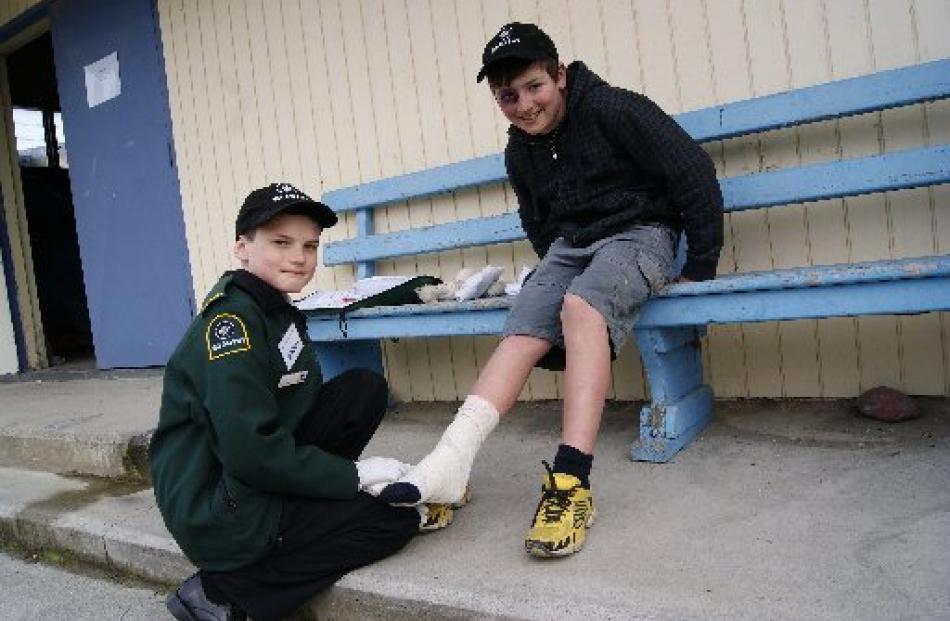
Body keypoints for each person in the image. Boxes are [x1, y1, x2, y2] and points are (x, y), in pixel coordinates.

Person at [380, 22, 723, 558]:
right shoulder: (520, 149)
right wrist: (552, 278)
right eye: (507, 96)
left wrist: (700, 264)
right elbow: (537, 221)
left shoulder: (614, 109)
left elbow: (693, 173)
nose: (524, 105)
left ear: (560, 75)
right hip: (571, 247)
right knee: (521, 327)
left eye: (533, 87)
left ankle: (570, 484)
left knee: (581, 307)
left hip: (639, 234)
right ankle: (451, 462)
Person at [150, 182, 455, 621]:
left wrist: (337, 478)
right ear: (242, 247)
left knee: (361, 391)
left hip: (248, 475)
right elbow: (250, 453)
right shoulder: (231, 327)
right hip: (220, 508)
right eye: (280, 242)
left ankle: (303, 511)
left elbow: (290, 411)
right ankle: (224, 594)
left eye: (310, 246)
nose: (299, 257)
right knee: (390, 522)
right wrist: (350, 475)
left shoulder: (275, 310)